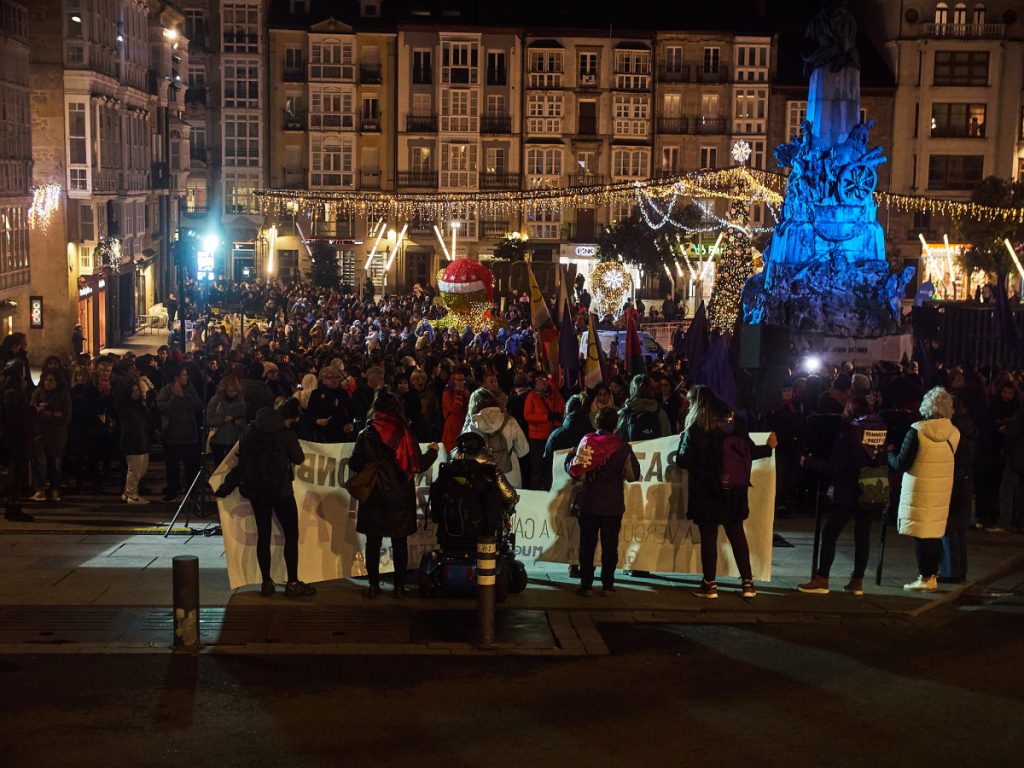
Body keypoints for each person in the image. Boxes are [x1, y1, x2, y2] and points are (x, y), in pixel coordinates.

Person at [674, 385, 777, 599]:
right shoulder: (735, 424)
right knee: (736, 534)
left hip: (705, 490)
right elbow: (748, 451)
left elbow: (683, 461)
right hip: (734, 490)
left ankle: (709, 585)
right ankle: (748, 584)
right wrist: (768, 447)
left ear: (698, 405)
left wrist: (682, 440)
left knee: (709, 537)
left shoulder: (697, 428)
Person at [349, 387, 438, 598]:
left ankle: (373, 585)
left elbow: (354, 462)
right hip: (400, 494)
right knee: (400, 542)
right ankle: (398, 587)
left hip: (374, 495)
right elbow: (418, 463)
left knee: (373, 542)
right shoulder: (405, 433)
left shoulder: (366, 434)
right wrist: (433, 453)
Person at [797, 397, 888, 596]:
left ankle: (822, 579)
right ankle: (857, 581)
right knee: (862, 537)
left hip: (848, 491)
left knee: (830, 534)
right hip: (871, 489)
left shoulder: (848, 433)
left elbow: (834, 466)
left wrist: (808, 462)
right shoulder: (880, 430)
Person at [236, 401, 315, 597]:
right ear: (288, 419)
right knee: (291, 535)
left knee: (263, 536)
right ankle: (293, 582)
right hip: (281, 491)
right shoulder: (285, 434)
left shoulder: (250, 429)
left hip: (257, 491)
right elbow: (298, 458)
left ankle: (266, 581)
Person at [889, 386, 960, 593]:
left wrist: (889, 454)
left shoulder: (917, 430)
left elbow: (902, 463)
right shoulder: (954, 433)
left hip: (920, 488)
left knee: (920, 534)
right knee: (934, 533)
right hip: (941, 489)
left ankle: (925, 576)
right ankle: (932, 575)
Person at [566, 406, 641, 596]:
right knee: (610, 547)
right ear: (615, 424)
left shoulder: (587, 442)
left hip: (589, 503)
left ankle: (586, 585)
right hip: (612, 505)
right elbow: (633, 476)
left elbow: (576, 472)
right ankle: (608, 585)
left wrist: (568, 459)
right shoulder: (623, 448)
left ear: (596, 422)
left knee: (587, 546)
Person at [462, 388, 529, 489]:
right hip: (510, 479)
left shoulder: (472, 425)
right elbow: (523, 450)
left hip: (482, 480)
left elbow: (465, 453)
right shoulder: (509, 421)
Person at [157, 363, 204, 503]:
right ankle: (172, 490)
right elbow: (163, 408)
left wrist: (186, 396)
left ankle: (192, 493)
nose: (186, 377)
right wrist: (175, 398)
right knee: (172, 467)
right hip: (172, 435)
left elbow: (198, 406)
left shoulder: (190, 388)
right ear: (176, 377)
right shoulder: (166, 390)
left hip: (189, 435)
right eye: (184, 374)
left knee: (191, 467)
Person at [1, 359, 36, 521]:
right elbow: (15, 416)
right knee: (16, 472)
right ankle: (12, 506)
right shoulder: (12, 391)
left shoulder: (13, 389)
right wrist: (32, 411)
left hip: (18, 436)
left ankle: (13, 505)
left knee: (18, 471)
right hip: (17, 437)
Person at [29, 371, 71, 502]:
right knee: (40, 462)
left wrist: (51, 414)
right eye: (46, 380)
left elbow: (66, 415)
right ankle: (40, 489)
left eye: (51, 380)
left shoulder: (63, 395)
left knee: (55, 463)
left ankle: (55, 489)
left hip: (56, 434)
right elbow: (31, 410)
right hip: (40, 433)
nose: (48, 383)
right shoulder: (38, 393)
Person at [524, 373, 564, 490]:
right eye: (540, 380)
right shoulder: (531, 396)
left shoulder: (554, 395)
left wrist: (558, 416)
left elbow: (562, 407)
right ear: (535, 383)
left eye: (545, 380)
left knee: (550, 466)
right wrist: (546, 417)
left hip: (551, 436)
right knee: (537, 467)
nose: (543, 382)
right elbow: (528, 416)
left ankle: (548, 489)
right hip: (537, 438)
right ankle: (535, 492)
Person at [118, 380, 151, 504]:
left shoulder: (139, 405)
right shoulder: (126, 408)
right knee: (134, 469)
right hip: (132, 440)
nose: (136, 393)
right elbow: (133, 423)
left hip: (141, 439)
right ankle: (132, 494)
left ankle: (128, 492)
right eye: (134, 391)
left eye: (137, 390)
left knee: (141, 468)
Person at [205, 375, 247, 468]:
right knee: (219, 465)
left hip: (233, 440)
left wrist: (238, 422)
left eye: (235, 391)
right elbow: (208, 419)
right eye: (230, 391)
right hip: (218, 439)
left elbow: (244, 420)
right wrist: (222, 419)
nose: (233, 394)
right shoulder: (216, 400)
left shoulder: (240, 401)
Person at [616, 374, 672, 441]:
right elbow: (667, 439)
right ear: (651, 390)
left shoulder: (623, 415)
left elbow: (618, 441)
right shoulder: (660, 413)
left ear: (632, 390)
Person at [441, 365, 471, 452]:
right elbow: (455, 410)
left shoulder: (464, 392)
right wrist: (458, 393)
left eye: (463, 380)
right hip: (451, 434)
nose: (461, 382)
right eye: (458, 380)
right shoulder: (447, 393)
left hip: (462, 430)